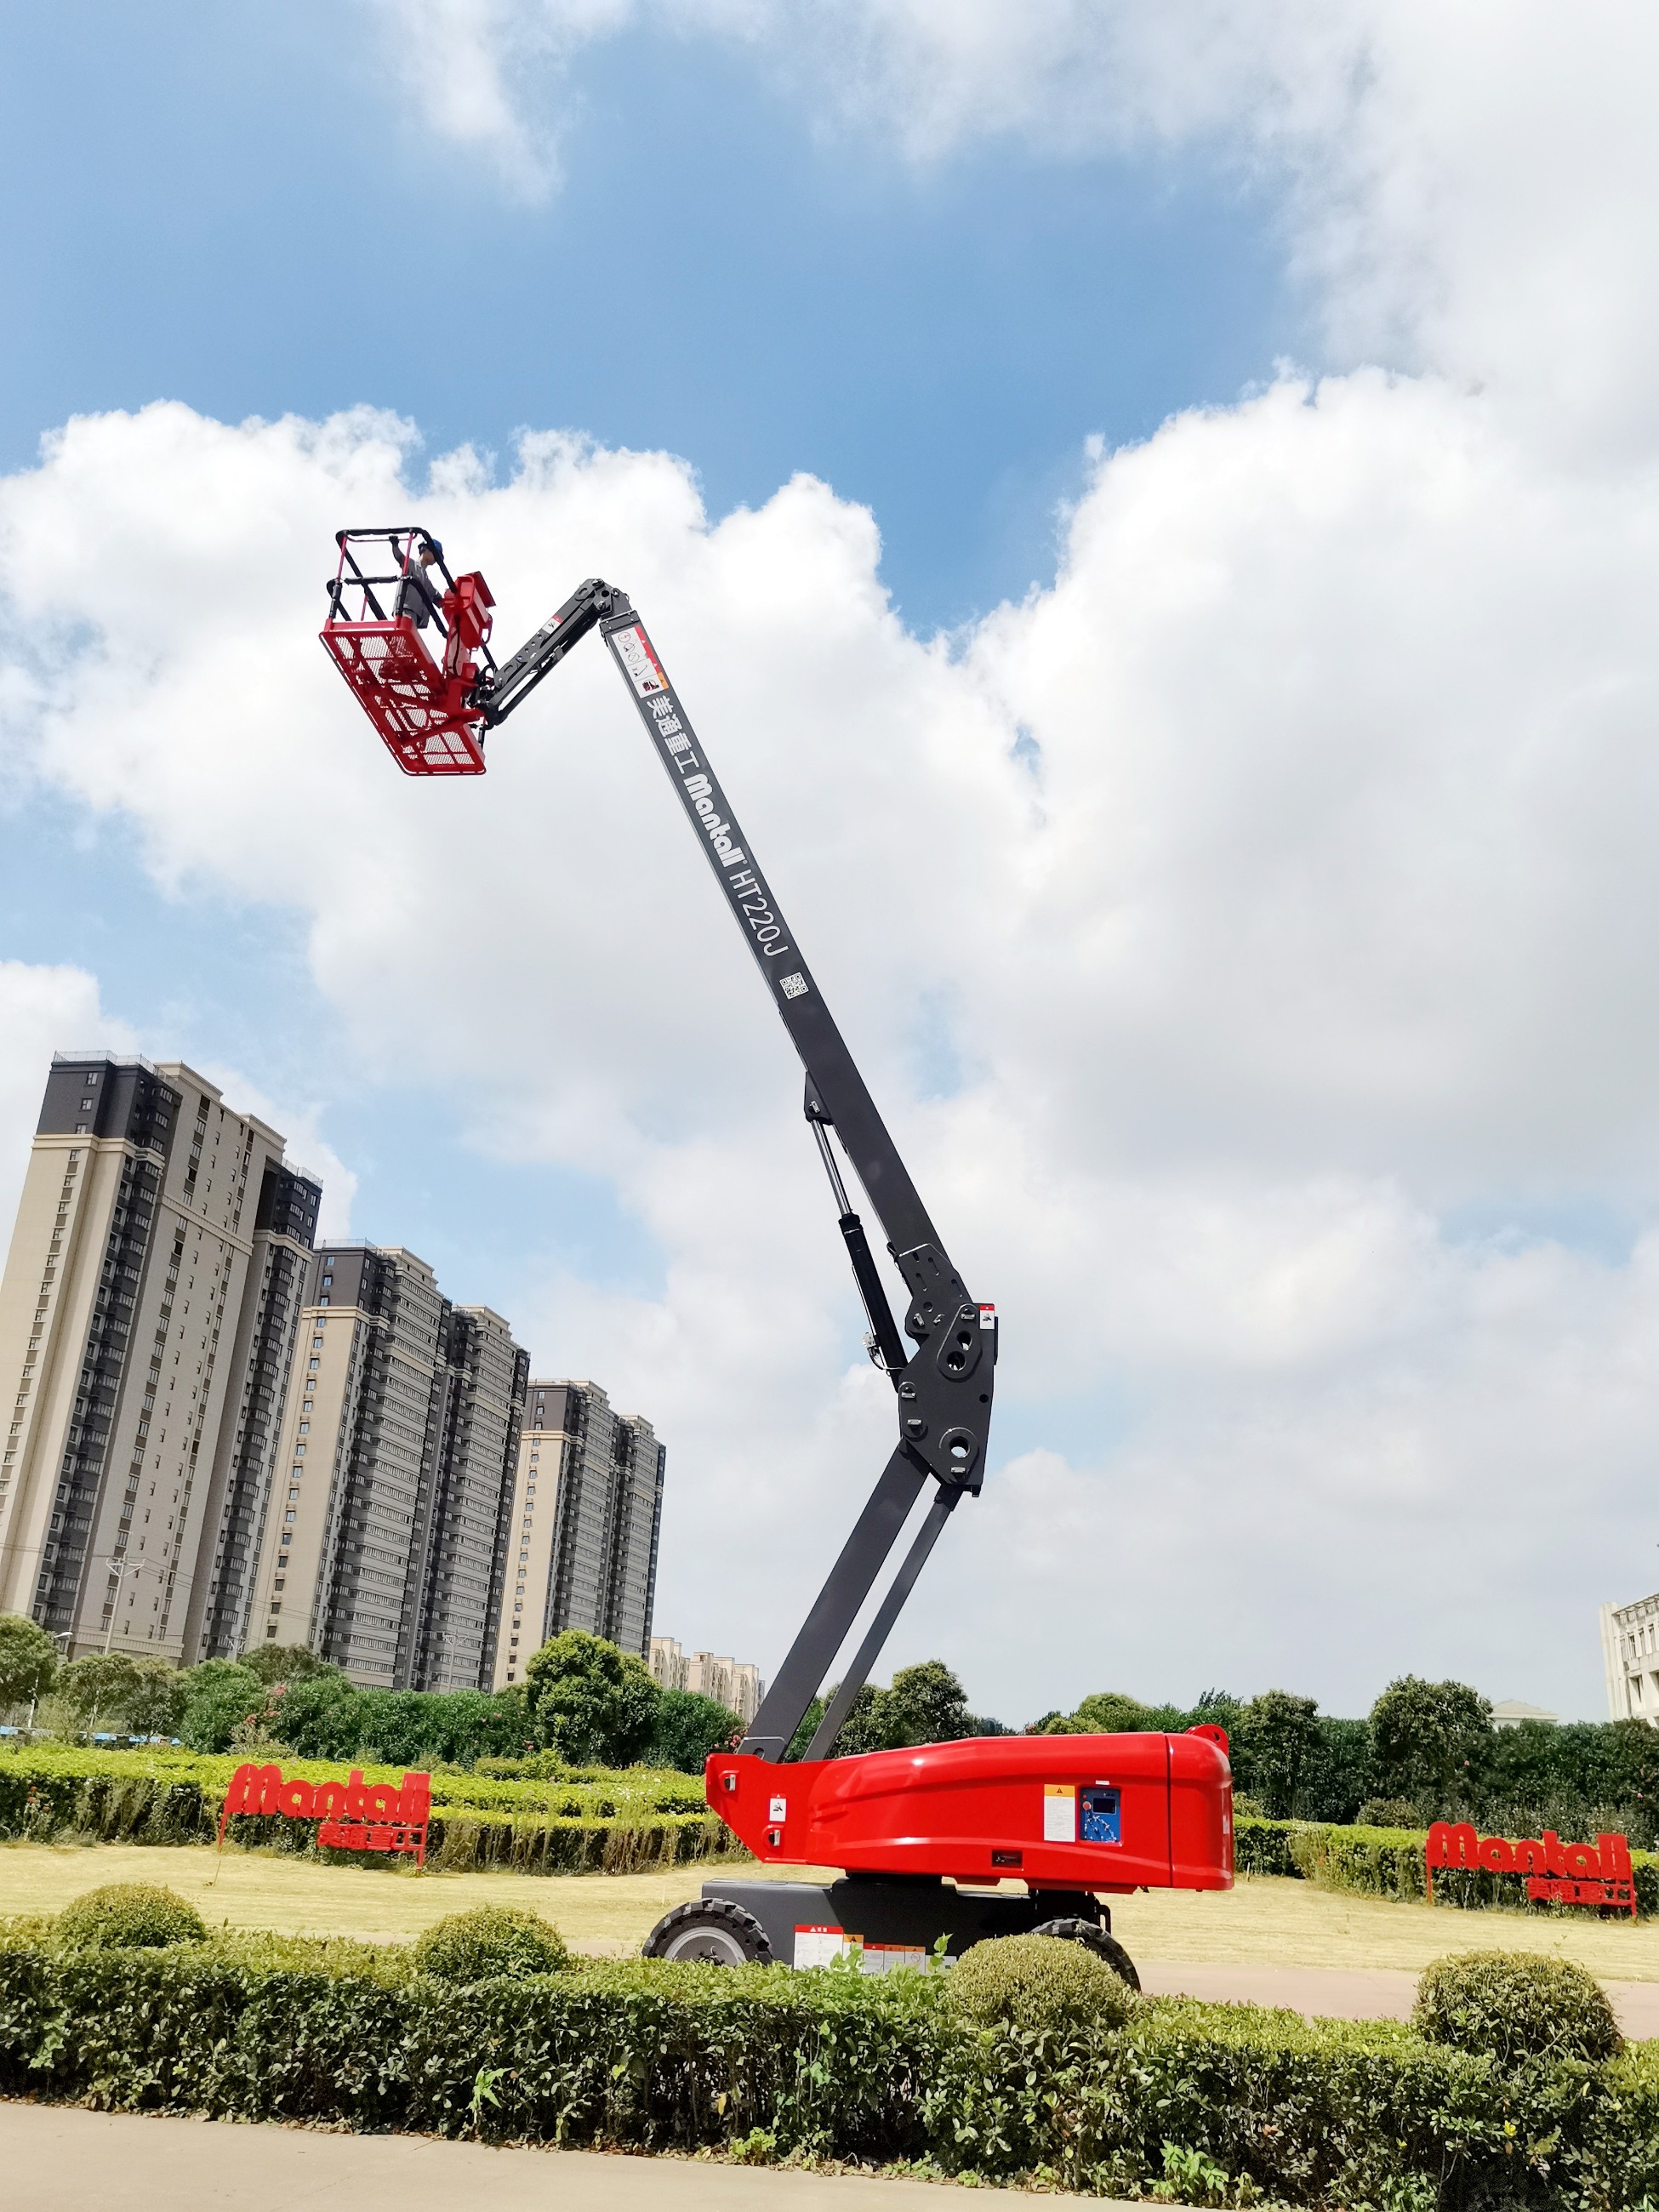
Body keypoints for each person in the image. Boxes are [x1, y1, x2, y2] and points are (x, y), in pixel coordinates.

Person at [396, 536, 443, 630]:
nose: (436, 559)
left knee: (409, 633)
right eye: (436, 553)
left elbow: (437, 597)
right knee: (404, 632)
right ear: (426, 549)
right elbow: (399, 557)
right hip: (406, 609)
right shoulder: (411, 564)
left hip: (417, 615)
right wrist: (395, 545)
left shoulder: (426, 579)